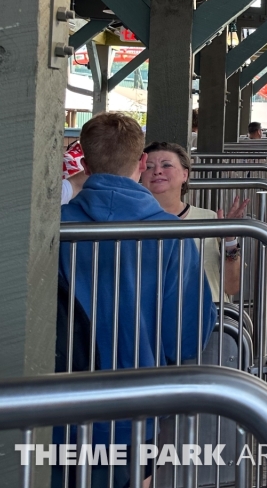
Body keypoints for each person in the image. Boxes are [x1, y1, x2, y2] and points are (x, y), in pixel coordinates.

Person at [59, 114, 215, 453]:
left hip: (57, 407)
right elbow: (186, 337)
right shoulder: (170, 234)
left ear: (85, 162)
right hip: (137, 404)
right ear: (142, 162)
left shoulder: (55, 228)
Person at [141, 142, 247, 297]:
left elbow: (233, 287)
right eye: (149, 166)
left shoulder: (209, 219)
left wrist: (230, 240)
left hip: (211, 318)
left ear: (185, 174)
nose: (157, 171)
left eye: (166, 165)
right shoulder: (131, 222)